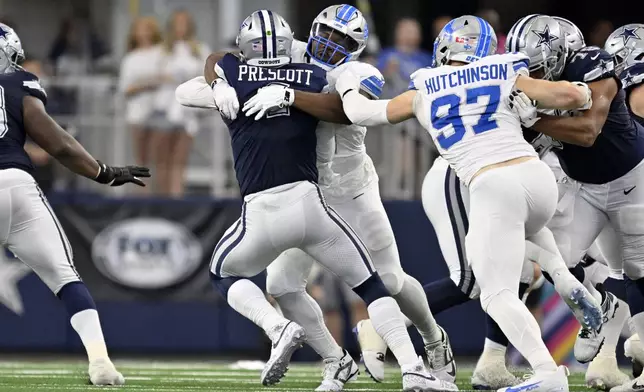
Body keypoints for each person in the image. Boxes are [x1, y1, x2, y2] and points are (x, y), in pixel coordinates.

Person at [185, 10, 457, 391]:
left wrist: (290, 95)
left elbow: (349, 112)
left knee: (390, 279)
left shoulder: (354, 73)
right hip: (309, 191)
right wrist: (218, 86)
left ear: (357, 48)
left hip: (351, 191)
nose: (331, 44)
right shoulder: (289, 52)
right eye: (327, 34)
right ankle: (336, 361)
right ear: (310, 32)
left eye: (343, 41)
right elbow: (216, 62)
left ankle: (432, 339)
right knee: (280, 285)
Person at [325, 14, 594, 391]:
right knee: (523, 263)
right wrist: (582, 94)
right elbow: (569, 95)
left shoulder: (425, 87)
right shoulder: (502, 70)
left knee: (495, 293)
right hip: (537, 179)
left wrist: (349, 84)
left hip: (490, 183)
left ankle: (549, 375)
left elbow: (361, 114)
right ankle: (561, 281)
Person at [0, 23, 150, 386]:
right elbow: (59, 144)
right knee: (66, 278)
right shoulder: (19, 84)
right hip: (15, 186)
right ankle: (100, 362)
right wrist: (105, 173)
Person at [508, 14, 644, 392]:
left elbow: (587, 131)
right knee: (555, 256)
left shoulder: (592, 64)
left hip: (631, 178)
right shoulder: (534, 84)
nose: (532, 74)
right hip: (585, 186)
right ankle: (600, 308)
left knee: (636, 269)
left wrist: (536, 122)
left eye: (536, 65)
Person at [155, 10, 210, 197]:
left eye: (184, 22)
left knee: (180, 157)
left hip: (187, 110)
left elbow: (207, 74)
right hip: (164, 108)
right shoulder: (162, 50)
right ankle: (162, 196)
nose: (181, 27)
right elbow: (156, 74)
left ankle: (176, 195)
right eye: (177, 22)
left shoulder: (200, 49)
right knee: (162, 156)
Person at [119, 16, 164, 194]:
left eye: (147, 29)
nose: (143, 33)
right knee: (141, 157)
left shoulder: (161, 53)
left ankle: (161, 193)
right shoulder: (130, 58)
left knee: (159, 156)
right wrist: (145, 85)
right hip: (137, 113)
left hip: (159, 112)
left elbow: (166, 77)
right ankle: (143, 193)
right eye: (139, 29)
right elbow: (126, 88)